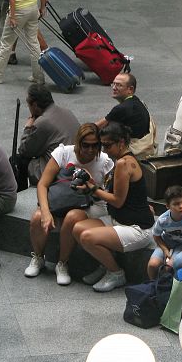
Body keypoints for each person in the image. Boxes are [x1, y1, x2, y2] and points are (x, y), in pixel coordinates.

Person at [24, 123, 114, 285]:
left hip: (90, 203)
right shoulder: (63, 153)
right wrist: (45, 212)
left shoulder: (105, 162)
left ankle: (62, 263)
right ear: (78, 142)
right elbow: (43, 184)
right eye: (86, 145)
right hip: (61, 200)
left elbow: (109, 196)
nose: (90, 150)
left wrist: (92, 185)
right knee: (38, 217)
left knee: (72, 217)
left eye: (95, 145)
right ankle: (38, 257)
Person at [70, 122, 155, 292]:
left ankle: (116, 273)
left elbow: (117, 200)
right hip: (118, 220)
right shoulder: (120, 161)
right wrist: (93, 186)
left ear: (121, 143)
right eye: (103, 145)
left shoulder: (124, 164)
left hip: (136, 228)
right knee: (78, 228)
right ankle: (106, 264)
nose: (104, 150)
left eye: (108, 145)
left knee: (87, 237)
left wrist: (93, 189)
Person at [13, 84, 80, 190]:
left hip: (55, 173)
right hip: (76, 165)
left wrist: (27, 128)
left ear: (34, 105)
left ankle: (19, 193)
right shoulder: (67, 112)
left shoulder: (43, 122)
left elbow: (24, 150)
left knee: (17, 160)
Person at [95, 73, 157, 159]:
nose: (114, 88)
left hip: (134, 154)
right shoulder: (137, 101)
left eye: (119, 85)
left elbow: (96, 127)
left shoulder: (122, 109)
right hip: (146, 151)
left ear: (130, 89)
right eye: (113, 84)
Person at [147, 185, 182, 279]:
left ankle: (168, 287)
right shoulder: (163, 220)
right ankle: (153, 285)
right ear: (167, 206)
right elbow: (156, 235)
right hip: (166, 242)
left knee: (170, 266)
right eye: (176, 204)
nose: (181, 206)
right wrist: (165, 249)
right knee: (152, 265)